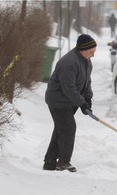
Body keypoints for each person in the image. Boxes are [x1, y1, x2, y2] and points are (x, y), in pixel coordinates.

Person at [43, 34, 97, 172]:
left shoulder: (86, 61)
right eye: (91, 52)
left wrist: (88, 99)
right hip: (58, 100)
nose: (93, 55)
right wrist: (81, 103)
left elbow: (87, 82)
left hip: (69, 101)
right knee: (68, 128)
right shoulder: (69, 63)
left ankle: (49, 163)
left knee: (61, 130)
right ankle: (63, 162)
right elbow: (69, 88)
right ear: (82, 50)